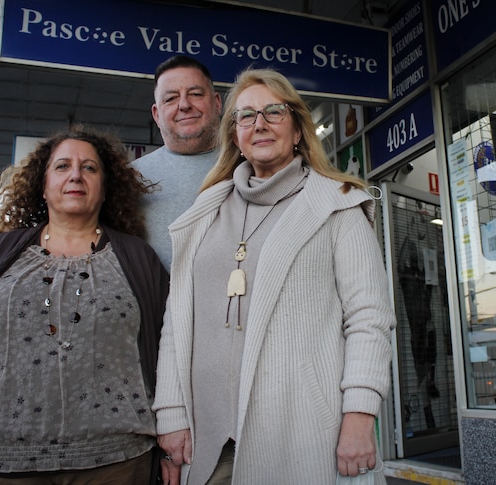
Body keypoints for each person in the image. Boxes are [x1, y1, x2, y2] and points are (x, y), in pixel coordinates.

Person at [153, 68, 396, 484]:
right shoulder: (206, 211)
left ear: (298, 129)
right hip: (207, 440)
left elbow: (369, 320)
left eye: (273, 112)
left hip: (302, 436)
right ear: (234, 136)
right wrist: (171, 411)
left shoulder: (338, 206)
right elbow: (177, 322)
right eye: (246, 116)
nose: (259, 124)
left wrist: (360, 416)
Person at [0, 126, 169, 484]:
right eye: (62, 166)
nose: (76, 175)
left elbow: (168, 349)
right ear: (42, 184)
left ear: (106, 187)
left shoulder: (138, 258)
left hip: (117, 460)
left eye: (89, 168)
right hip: (6, 461)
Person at [132, 55, 223, 269]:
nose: (184, 105)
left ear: (217, 103)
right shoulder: (130, 178)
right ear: (156, 113)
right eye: (171, 98)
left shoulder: (251, 167)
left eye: (196, 94)